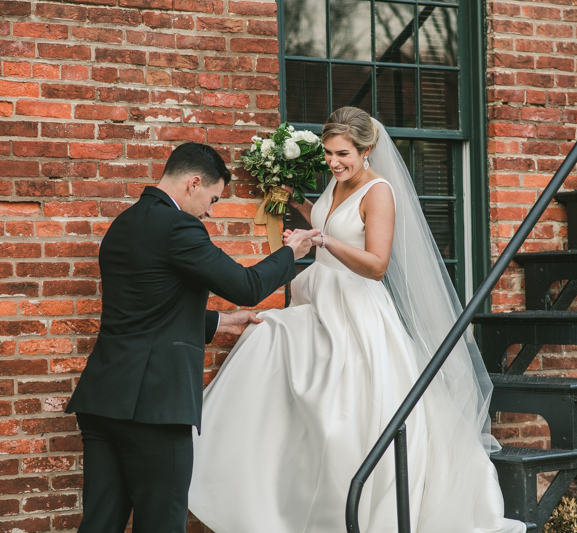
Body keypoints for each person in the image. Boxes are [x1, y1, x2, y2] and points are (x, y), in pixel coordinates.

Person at [188, 108, 527, 533]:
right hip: (318, 299)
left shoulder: (378, 192)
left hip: (355, 311)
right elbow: (326, 218)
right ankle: (247, 476)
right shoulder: (338, 181)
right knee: (267, 338)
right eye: (329, 153)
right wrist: (295, 202)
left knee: (348, 418)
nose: (333, 162)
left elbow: (376, 264)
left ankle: (355, 509)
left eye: (342, 153)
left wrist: (322, 240)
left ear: (367, 150)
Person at [65, 142, 318, 533]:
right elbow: (247, 286)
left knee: (99, 524)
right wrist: (291, 252)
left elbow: (146, 310)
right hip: (154, 408)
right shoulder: (178, 226)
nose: (210, 211)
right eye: (213, 198)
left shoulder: (124, 224)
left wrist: (219, 323)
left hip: (101, 401)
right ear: (194, 183)